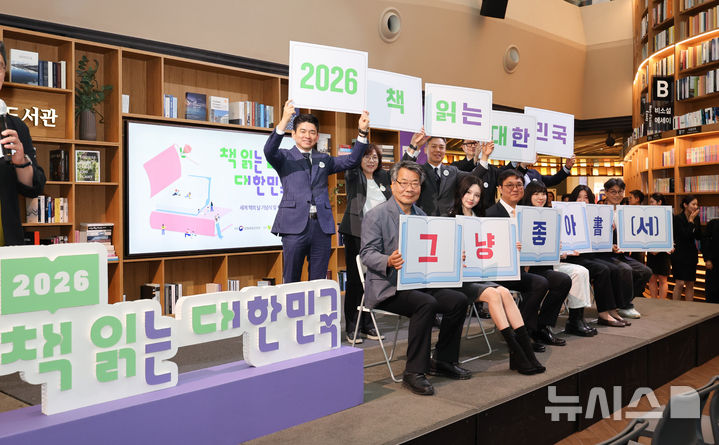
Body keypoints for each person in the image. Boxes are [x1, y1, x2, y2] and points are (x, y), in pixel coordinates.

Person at [360, 161, 471, 396]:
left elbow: (431, 250)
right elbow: (367, 254)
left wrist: (452, 256)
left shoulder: (422, 215)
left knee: (458, 300)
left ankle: (443, 360)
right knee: (425, 303)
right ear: (393, 185)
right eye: (404, 183)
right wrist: (388, 260)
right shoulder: (376, 215)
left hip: (418, 282)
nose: (409, 188)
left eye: (415, 183)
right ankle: (414, 372)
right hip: (388, 287)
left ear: (420, 187)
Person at [264, 99, 369, 283]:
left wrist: (362, 132)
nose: (308, 136)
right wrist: (284, 120)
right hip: (293, 226)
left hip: (321, 226)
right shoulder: (284, 157)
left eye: (312, 132)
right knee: (291, 280)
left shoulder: (324, 159)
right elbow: (269, 150)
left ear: (317, 136)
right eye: (303, 131)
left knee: (318, 281)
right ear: (293, 134)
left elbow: (352, 160)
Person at [450, 175, 545, 374]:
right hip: (457, 279)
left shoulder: (481, 219)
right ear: (460, 193)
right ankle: (516, 350)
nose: (472, 198)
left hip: (480, 275)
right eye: (468, 193)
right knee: (495, 294)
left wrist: (510, 246)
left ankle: (524, 352)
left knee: (504, 293)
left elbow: (491, 249)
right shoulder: (449, 218)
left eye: (477, 195)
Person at [485, 169, 569, 350]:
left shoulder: (530, 212)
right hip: (503, 270)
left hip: (529, 267)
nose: (515, 189)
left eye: (519, 185)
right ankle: (522, 333)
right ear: (499, 188)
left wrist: (553, 244)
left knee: (562, 280)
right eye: (510, 185)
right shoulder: (491, 213)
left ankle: (541, 327)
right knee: (539, 283)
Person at [519, 181, 596, 337]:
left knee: (580, 271)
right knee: (562, 279)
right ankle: (539, 326)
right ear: (528, 195)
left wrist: (563, 252)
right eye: (536, 194)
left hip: (550, 264)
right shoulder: (521, 215)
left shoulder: (552, 214)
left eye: (543, 193)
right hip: (530, 267)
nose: (541, 197)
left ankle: (575, 319)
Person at [338, 144, 391, 343]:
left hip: (380, 237)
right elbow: (351, 161)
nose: (371, 161)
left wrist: (412, 148)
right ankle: (352, 326)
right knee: (355, 280)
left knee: (374, 281)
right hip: (356, 234)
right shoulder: (353, 175)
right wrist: (361, 138)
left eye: (375, 157)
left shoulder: (383, 177)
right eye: (366, 156)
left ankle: (368, 324)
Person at [564, 185, 633, 327]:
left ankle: (612, 310)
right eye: (579, 197)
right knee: (603, 270)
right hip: (573, 257)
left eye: (586, 197)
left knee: (615, 269)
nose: (582, 200)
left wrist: (609, 232)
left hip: (590, 256)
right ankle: (603, 313)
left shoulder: (596, 216)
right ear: (573, 199)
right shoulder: (566, 214)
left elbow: (599, 242)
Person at [0, 41, 46, 245]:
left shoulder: (15, 126)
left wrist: (20, 161)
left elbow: (33, 188)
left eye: (0, 66)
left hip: (7, 243)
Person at [401, 128, 480, 216]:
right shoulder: (419, 170)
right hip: (423, 218)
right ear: (425, 149)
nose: (438, 150)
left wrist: (484, 156)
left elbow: (473, 176)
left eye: (441, 147)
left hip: (448, 220)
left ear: (445, 150)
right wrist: (414, 146)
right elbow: (402, 170)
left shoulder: (453, 171)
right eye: (434, 146)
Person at [603, 178, 652, 318]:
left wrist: (661, 245)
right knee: (626, 269)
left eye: (620, 192)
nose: (617, 195)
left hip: (621, 255)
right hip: (604, 255)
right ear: (606, 192)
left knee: (645, 271)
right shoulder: (599, 212)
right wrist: (609, 246)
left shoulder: (627, 212)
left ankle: (622, 301)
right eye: (613, 192)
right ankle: (625, 305)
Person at [671, 194, 701, 301]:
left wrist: (693, 222)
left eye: (696, 204)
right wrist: (691, 221)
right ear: (685, 205)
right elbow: (684, 236)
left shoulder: (697, 218)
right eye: (693, 204)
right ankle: (675, 307)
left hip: (691, 254)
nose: (695, 207)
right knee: (679, 283)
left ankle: (689, 308)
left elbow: (698, 236)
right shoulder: (677, 218)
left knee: (690, 283)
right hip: (679, 254)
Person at [646, 193, 672, 299]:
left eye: (652, 202)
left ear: (659, 202)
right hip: (651, 250)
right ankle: (653, 301)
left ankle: (661, 302)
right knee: (652, 278)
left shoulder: (668, 215)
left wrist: (662, 248)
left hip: (663, 251)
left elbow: (670, 233)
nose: (650, 204)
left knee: (662, 278)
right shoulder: (647, 215)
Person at [503, 156, 576, 187]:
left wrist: (567, 167)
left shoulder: (534, 173)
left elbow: (552, 180)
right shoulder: (506, 173)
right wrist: (523, 165)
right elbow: (516, 179)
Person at [702, 217, 719, 304]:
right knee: (712, 289)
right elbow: (705, 242)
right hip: (713, 263)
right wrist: (707, 259)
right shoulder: (713, 223)